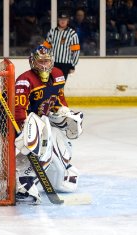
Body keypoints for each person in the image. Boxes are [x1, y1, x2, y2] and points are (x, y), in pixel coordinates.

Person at [13, 46, 83, 203]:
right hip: (18, 120)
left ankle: (60, 170)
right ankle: (23, 182)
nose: (44, 66)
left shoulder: (58, 75)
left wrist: (64, 112)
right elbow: (18, 109)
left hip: (40, 119)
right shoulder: (25, 80)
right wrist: (23, 128)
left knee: (58, 141)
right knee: (39, 148)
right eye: (40, 61)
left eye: (47, 61)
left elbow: (58, 99)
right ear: (33, 62)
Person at [42, 10, 80, 80]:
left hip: (65, 64)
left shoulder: (72, 34)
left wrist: (72, 65)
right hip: (53, 63)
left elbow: (76, 51)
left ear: (68, 20)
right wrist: (45, 61)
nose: (63, 21)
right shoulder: (52, 32)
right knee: (51, 84)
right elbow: (46, 47)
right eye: (61, 19)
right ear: (58, 20)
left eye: (65, 19)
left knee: (60, 86)